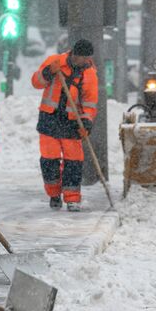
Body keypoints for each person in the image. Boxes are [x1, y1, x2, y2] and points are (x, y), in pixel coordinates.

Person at [31, 39, 98, 212]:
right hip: (49, 119)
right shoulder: (55, 62)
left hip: (72, 123)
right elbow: (36, 82)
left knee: (74, 162)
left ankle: (72, 198)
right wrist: (47, 73)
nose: (86, 61)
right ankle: (54, 194)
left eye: (88, 58)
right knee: (49, 160)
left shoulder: (89, 73)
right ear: (74, 54)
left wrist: (86, 122)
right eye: (83, 57)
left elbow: (90, 102)